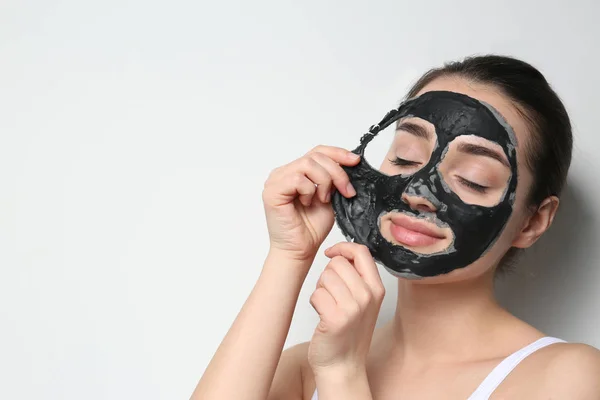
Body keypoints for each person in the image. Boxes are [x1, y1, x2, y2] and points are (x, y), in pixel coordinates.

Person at [192, 55, 600, 399]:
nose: (417, 190)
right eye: (404, 158)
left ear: (532, 221)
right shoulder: (306, 366)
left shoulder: (566, 377)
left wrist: (344, 377)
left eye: (473, 179)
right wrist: (289, 254)